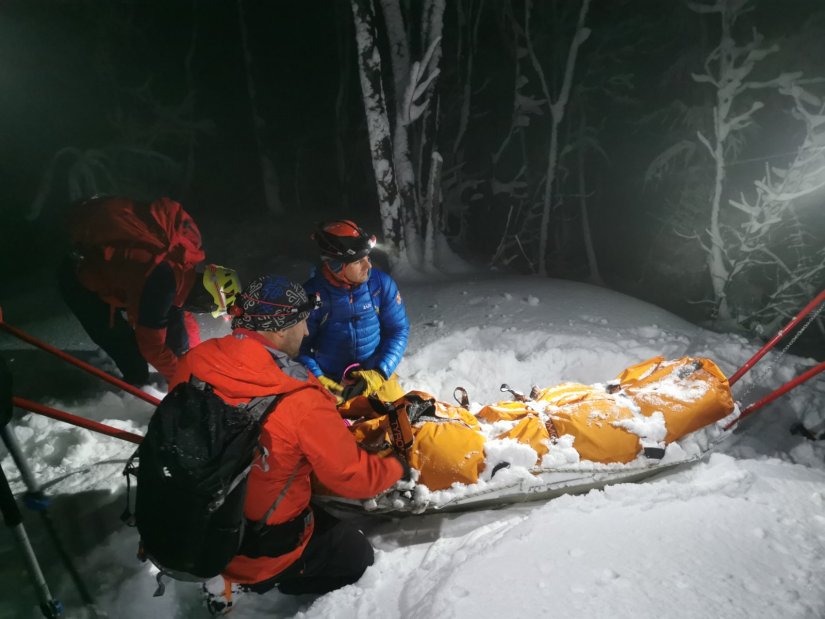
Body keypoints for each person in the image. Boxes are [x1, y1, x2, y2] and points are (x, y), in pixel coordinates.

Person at [170, 274, 407, 613]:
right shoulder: (298, 397)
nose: (307, 332)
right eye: (301, 323)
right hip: (258, 545)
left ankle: (226, 568)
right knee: (356, 556)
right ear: (280, 329)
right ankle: (253, 580)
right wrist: (398, 466)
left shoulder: (195, 361)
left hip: (197, 516)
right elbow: (353, 478)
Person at [57, 195, 241, 387]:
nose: (205, 312)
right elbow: (151, 346)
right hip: (83, 281)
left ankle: (176, 374)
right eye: (210, 308)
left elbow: (183, 319)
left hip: (129, 278)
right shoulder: (160, 283)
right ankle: (131, 391)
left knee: (179, 343)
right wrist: (183, 381)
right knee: (133, 361)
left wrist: (191, 360)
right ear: (205, 297)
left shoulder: (182, 271)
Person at [298, 219, 410, 401]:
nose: (369, 266)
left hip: (373, 375)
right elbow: (298, 348)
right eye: (359, 261)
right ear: (336, 265)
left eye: (368, 258)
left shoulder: (380, 285)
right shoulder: (312, 297)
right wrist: (319, 379)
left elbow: (398, 330)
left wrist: (380, 372)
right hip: (330, 382)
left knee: (399, 417)